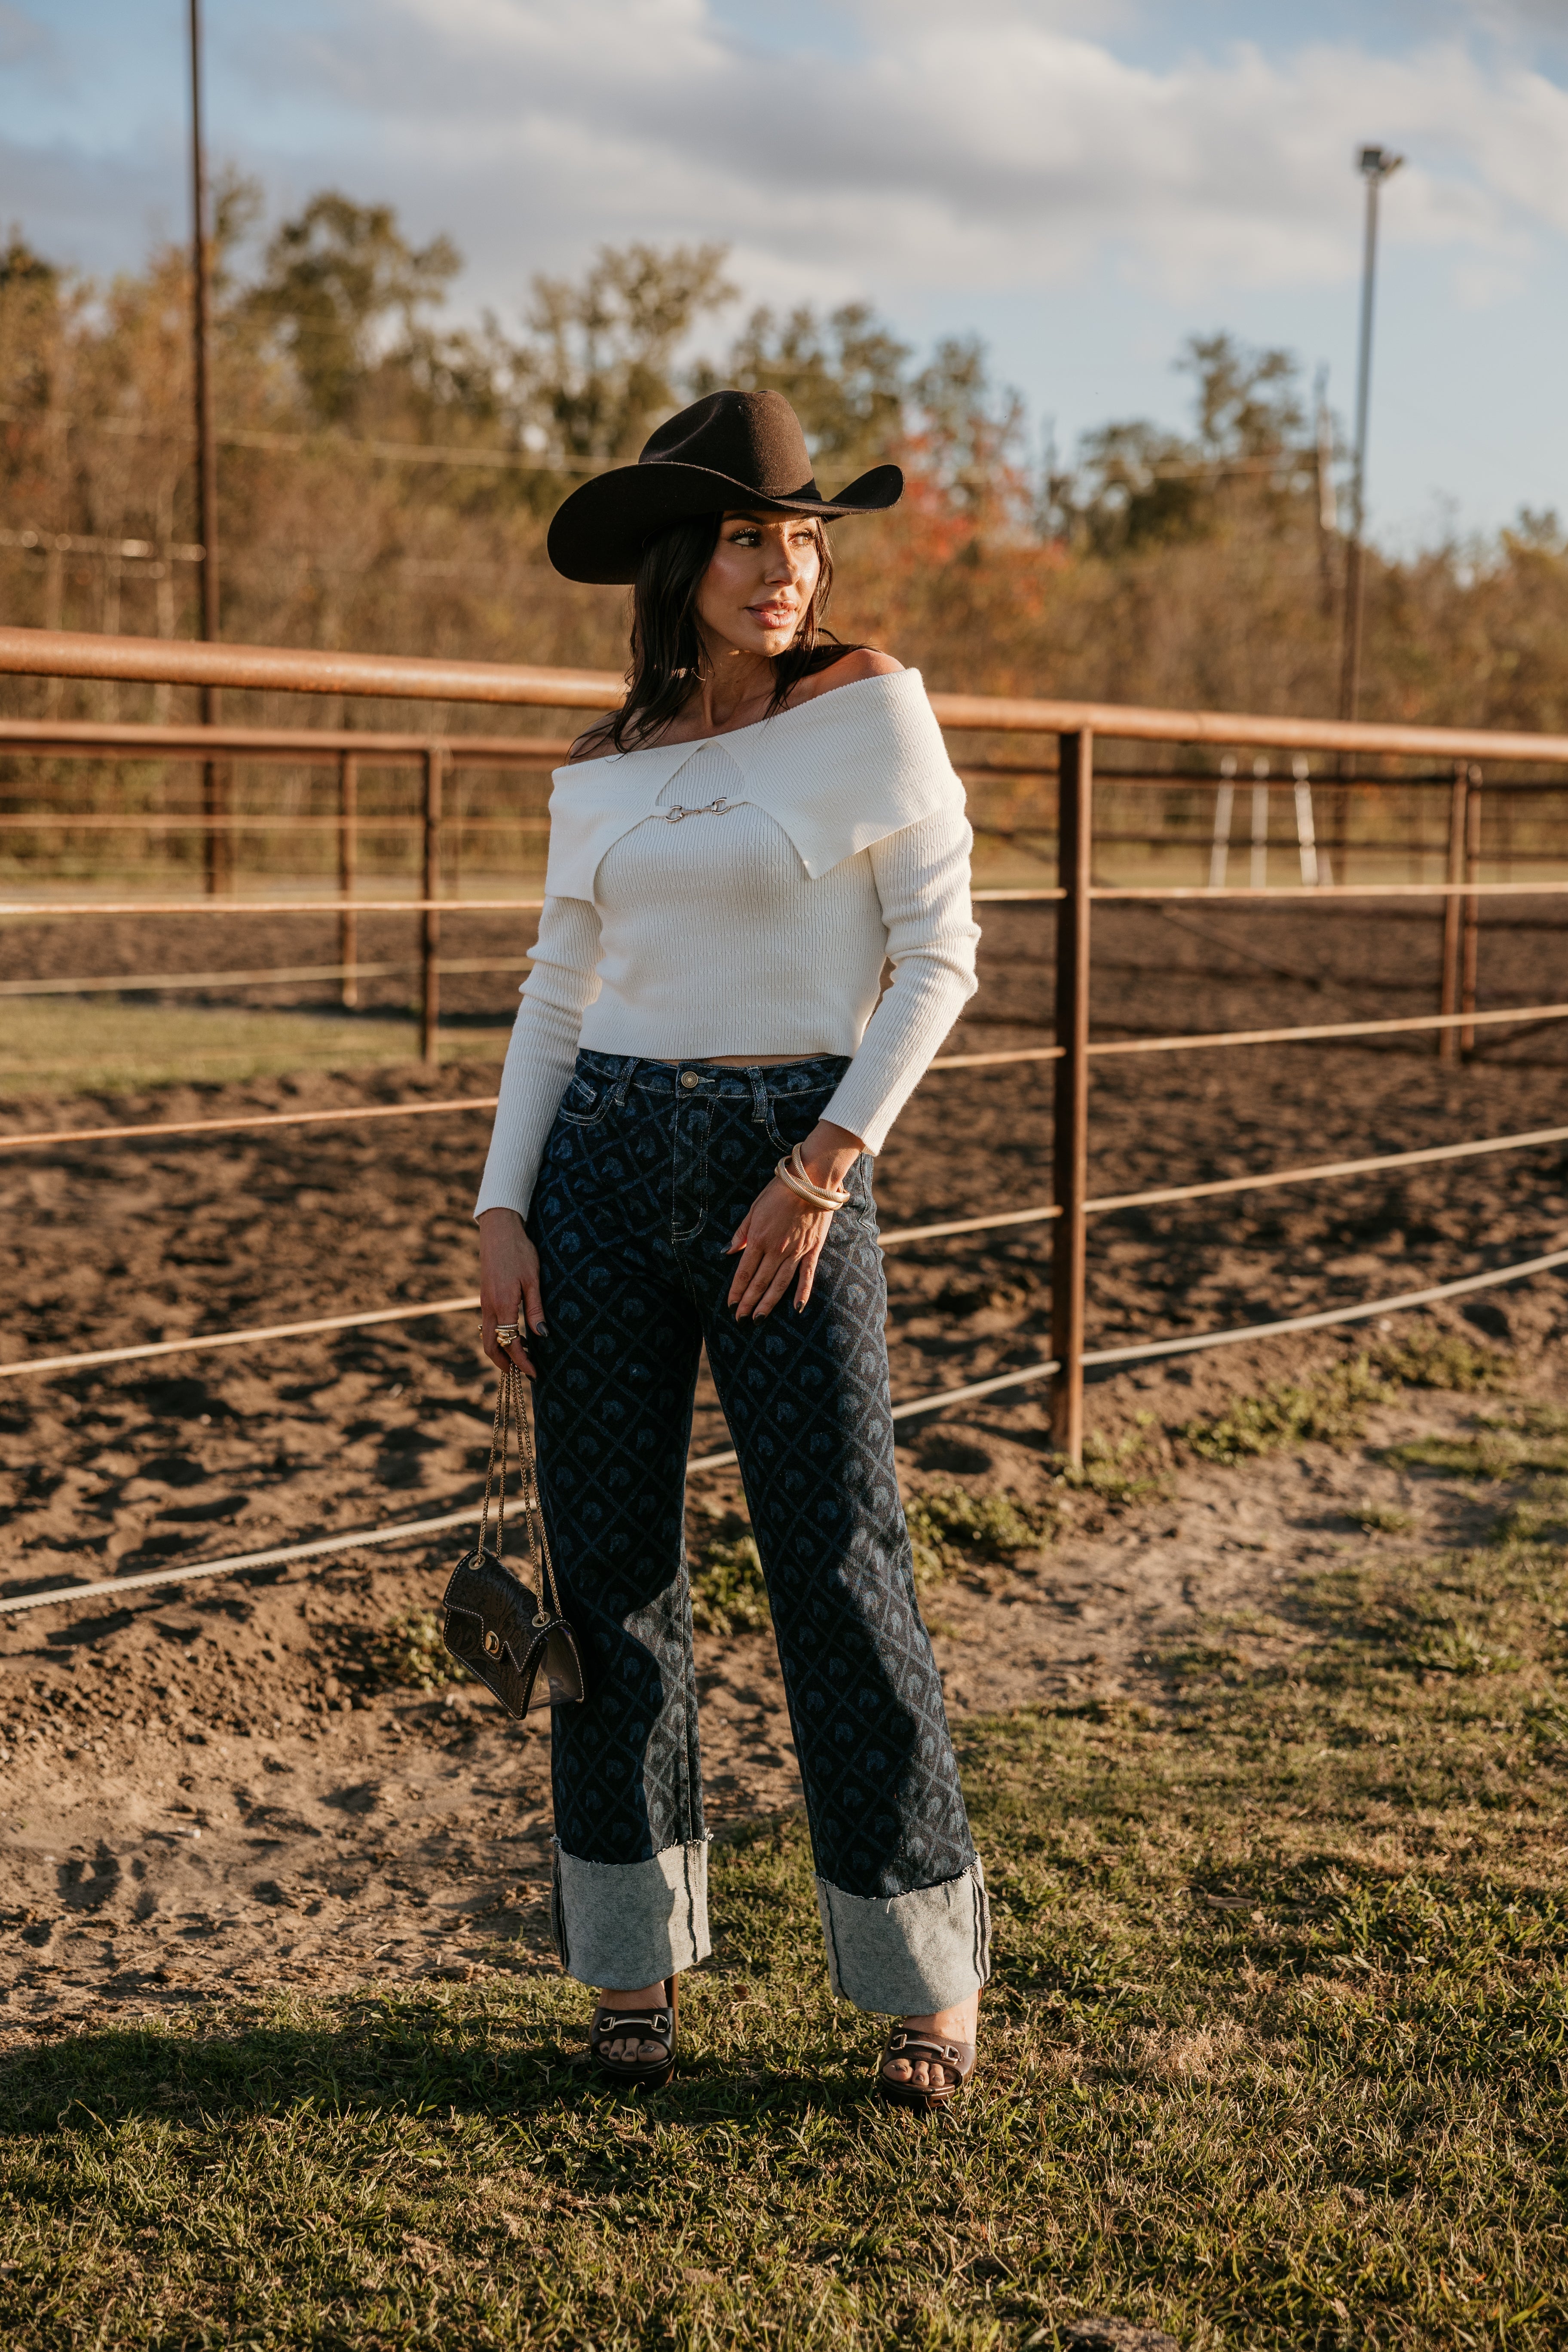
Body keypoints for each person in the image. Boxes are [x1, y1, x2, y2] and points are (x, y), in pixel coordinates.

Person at [474, 387, 988, 2112]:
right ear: (680, 559)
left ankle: (924, 1983)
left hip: (793, 1165)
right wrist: (500, 1207)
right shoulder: (609, 762)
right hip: (601, 1170)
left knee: (839, 1562)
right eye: (751, 538)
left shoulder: (872, 710)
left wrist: (825, 1165)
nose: (787, 569)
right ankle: (630, 1971)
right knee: (607, 1575)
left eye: (806, 537)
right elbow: (558, 993)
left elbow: (940, 956)